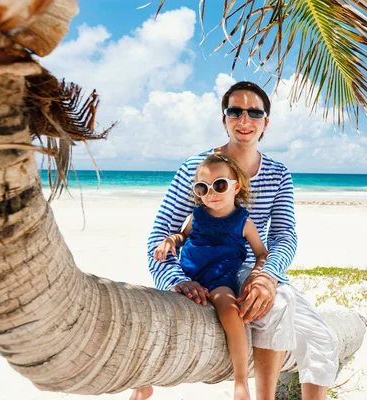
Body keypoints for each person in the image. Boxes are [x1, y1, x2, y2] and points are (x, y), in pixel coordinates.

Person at [141, 81, 339, 400]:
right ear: (224, 119)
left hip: (255, 267)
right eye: (235, 111)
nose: (244, 120)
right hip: (209, 271)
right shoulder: (196, 168)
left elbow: (284, 235)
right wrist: (176, 280)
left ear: (265, 122)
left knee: (323, 340)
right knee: (279, 306)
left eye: (254, 112)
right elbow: (161, 235)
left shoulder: (278, 173)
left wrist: (267, 275)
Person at [132, 154, 267, 400]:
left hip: (220, 280)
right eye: (202, 188)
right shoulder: (197, 215)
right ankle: (144, 382)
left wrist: (256, 274)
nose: (211, 193)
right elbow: (182, 236)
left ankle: (240, 381)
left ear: (236, 186)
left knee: (229, 311)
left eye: (219, 185)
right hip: (187, 275)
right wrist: (169, 241)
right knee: (159, 317)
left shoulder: (243, 222)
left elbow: (261, 253)